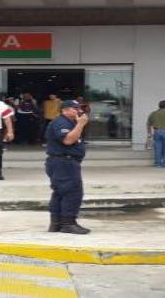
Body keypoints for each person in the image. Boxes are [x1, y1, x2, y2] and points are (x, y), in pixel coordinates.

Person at [45, 100, 91, 234]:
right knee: (72, 193)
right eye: (75, 108)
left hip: (64, 162)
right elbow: (68, 140)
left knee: (60, 193)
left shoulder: (70, 123)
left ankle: (56, 224)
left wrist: (78, 124)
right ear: (65, 110)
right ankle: (68, 223)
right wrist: (81, 124)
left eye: (79, 108)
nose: (79, 111)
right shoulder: (61, 122)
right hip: (63, 162)